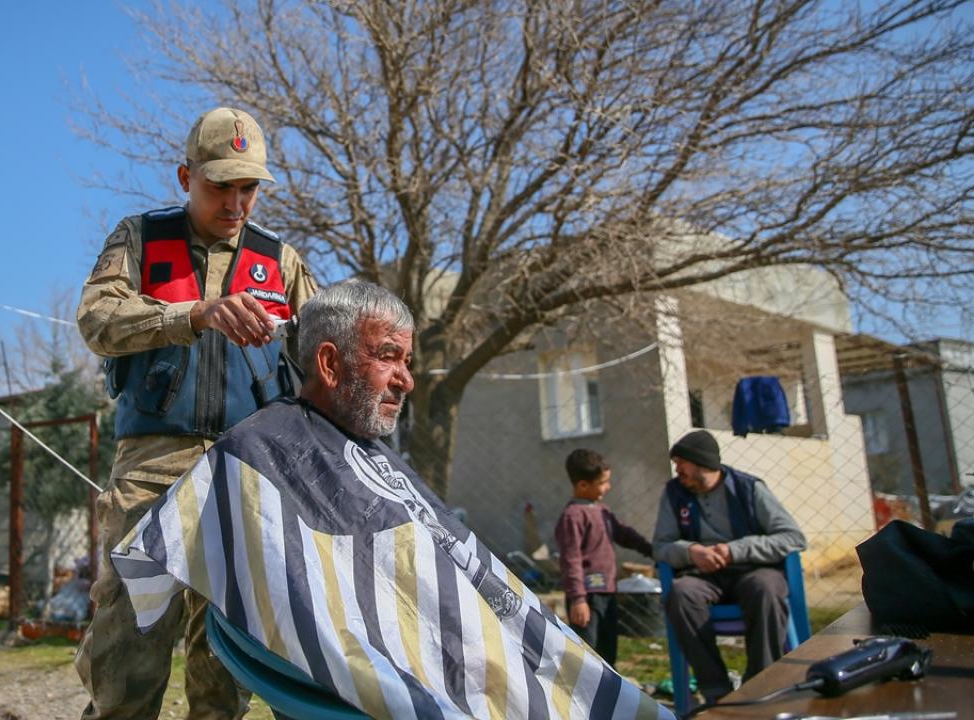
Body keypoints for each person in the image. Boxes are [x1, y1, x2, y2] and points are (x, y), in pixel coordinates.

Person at [107, 280, 669, 720]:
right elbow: (177, 561)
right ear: (328, 363)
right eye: (389, 356)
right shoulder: (257, 448)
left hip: (470, 649)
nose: (407, 380)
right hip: (407, 673)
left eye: (408, 362)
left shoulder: (373, 457)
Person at [75, 106, 317, 720]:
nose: (236, 203)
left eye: (249, 188)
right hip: (153, 466)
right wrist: (193, 315)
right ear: (186, 178)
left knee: (227, 655)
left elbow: (322, 357)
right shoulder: (138, 238)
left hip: (247, 470)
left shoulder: (281, 262)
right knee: (130, 639)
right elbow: (96, 321)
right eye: (220, 187)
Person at [652, 429, 807, 705]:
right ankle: (717, 692)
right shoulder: (674, 493)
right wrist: (690, 552)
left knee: (765, 588)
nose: (677, 470)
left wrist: (736, 550)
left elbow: (793, 537)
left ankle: (760, 685)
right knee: (682, 593)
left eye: (681, 463)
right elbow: (661, 545)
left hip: (753, 570)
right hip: (704, 576)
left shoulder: (749, 488)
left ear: (701, 463)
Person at [553, 448, 653, 666]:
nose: (607, 487)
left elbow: (623, 534)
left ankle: (609, 695)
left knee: (608, 651)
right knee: (589, 652)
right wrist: (578, 599)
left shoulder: (602, 511)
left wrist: (651, 550)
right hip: (587, 596)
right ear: (582, 485)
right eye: (602, 482)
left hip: (607, 592)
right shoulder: (573, 517)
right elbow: (571, 560)